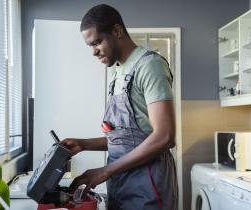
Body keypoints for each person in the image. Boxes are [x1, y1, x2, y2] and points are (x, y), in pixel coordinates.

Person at [61, 4, 178, 210]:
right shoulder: (118, 73)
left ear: (117, 31)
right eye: (89, 45)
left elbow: (165, 137)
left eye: (97, 42)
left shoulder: (149, 66)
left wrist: (105, 171)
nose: (94, 52)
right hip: (122, 184)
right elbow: (126, 139)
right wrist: (83, 144)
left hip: (148, 184)